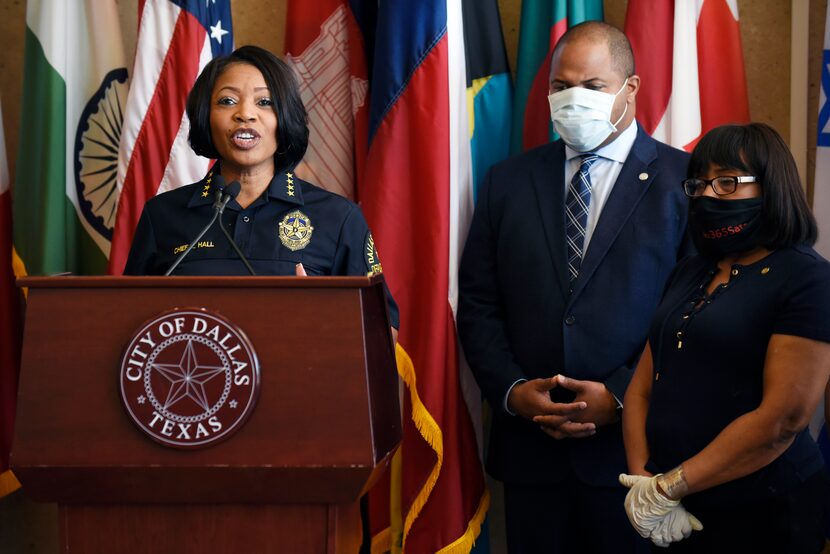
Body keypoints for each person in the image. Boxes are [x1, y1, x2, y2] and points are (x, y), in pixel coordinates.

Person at [457, 21, 691, 553]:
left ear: (630, 89)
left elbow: (692, 313)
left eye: (592, 87)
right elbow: (478, 304)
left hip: (638, 459)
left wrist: (621, 395)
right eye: (561, 87)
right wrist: (515, 392)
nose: (572, 99)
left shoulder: (683, 182)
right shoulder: (507, 181)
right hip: (532, 455)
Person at [619, 123, 830, 552]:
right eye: (700, 183)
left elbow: (783, 419)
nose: (709, 195)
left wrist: (669, 488)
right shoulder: (690, 271)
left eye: (728, 182)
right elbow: (642, 387)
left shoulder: (807, 278)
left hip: (765, 512)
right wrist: (644, 482)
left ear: (771, 187)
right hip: (669, 509)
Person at [123, 45, 398, 328]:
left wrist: (321, 316)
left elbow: (383, 335)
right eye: (227, 101)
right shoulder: (162, 215)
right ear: (206, 116)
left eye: (264, 102)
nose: (245, 114)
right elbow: (125, 322)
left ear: (285, 118)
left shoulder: (338, 218)